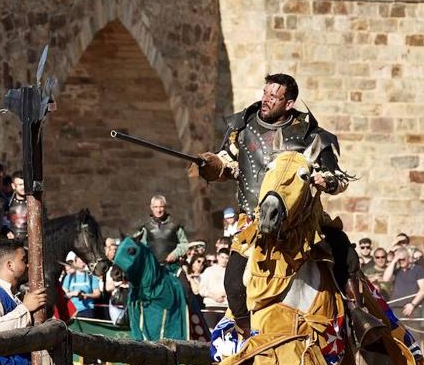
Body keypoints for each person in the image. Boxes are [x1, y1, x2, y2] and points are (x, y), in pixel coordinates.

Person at [198, 73, 355, 334]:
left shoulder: (310, 135)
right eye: (265, 93)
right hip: (253, 223)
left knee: (345, 255)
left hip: (301, 224)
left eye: (274, 96)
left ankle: (357, 317)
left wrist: (324, 181)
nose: (266, 100)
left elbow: (338, 177)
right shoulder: (242, 127)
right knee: (234, 285)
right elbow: (227, 159)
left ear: (289, 103)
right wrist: (214, 165)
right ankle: (250, 342)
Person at [133, 194, 190, 270]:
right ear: (151, 208)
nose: (158, 210)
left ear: (165, 207)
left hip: (173, 266)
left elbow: (184, 244)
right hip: (152, 267)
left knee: (183, 282)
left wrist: (175, 254)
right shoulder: (145, 226)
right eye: (155, 207)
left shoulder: (175, 224)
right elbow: (140, 246)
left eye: (161, 207)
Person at [382, 246, 424, 320]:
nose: (401, 261)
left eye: (403, 259)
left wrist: (412, 304)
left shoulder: (418, 270)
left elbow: (423, 290)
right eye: (399, 260)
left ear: (409, 258)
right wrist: (394, 260)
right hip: (395, 308)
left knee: (411, 331)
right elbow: (385, 279)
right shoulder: (396, 271)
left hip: (412, 308)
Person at [61, 252, 101, 317]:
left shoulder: (91, 276)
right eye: (80, 262)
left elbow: (97, 293)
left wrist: (86, 295)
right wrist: (73, 293)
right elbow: (63, 295)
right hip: (72, 310)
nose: (82, 265)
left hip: (87, 310)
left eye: (83, 262)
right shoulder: (69, 277)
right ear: (75, 263)